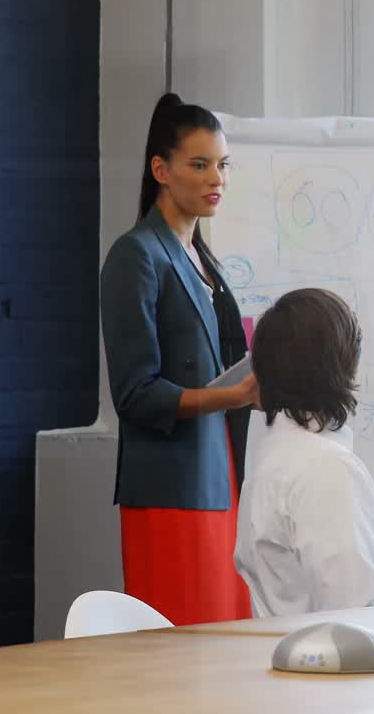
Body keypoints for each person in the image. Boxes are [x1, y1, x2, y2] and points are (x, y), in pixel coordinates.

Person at [100, 93, 256, 625]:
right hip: (172, 488)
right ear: (160, 170)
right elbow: (135, 394)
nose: (217, 179)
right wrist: (230, 395)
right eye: (200, 164)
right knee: (184, 642)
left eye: (223, 165)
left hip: (219, 474)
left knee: (223, 634)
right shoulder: (136, 255)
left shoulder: (202, 258)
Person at [234, 288, 374, 616]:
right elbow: (353, 611)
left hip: (330, 641)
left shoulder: (273, 459)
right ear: (342, 366)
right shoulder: (324, 468)